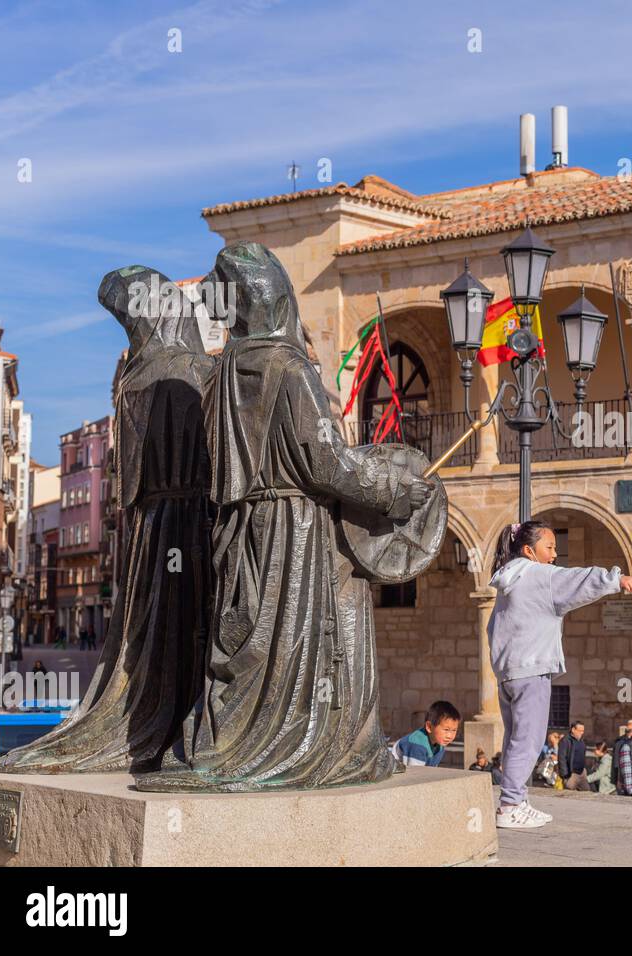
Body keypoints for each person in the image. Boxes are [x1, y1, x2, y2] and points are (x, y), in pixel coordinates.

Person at [135, 242, 434, 794]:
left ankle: (223, 743)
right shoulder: (287, 366)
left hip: (240, 524)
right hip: (295, 530)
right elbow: (329, 464)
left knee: (245, 638)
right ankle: (309, 746)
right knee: (298, 644)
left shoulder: (224, 371)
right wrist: (394, 491)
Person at [0, 267, 214, 776]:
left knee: (173, 635)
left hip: (162, 530)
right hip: (173, 527)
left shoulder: (158, 374)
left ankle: (170, 724)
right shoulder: (186, 371)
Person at [487, 519, 632, 829]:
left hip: (509, 672)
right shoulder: (538, 575)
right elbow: (577, 580)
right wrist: (617, 579)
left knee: (515, 738)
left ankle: (518, 799)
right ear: (530, 550)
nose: (555, 555)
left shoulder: (509, 580)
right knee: (528, 740)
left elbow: (492, 628)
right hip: (532, 670)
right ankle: (510, 804)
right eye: (550, 547)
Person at [393, 700, 460, 768]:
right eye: (446, 730)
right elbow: (414, 773)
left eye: (454, 730)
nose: (449, 736)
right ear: (429, 727)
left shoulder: (440, 744)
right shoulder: (417, 745)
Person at [558, 721, 591, 791]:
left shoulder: (581, 741)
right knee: (568, 794)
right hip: (571, 774)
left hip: (582, 773)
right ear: (573, 729)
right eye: (580, 731)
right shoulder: (565, 740)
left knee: (587, 793)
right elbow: (562, 758)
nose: (582, 733)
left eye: (583, 731)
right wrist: (565, 775)